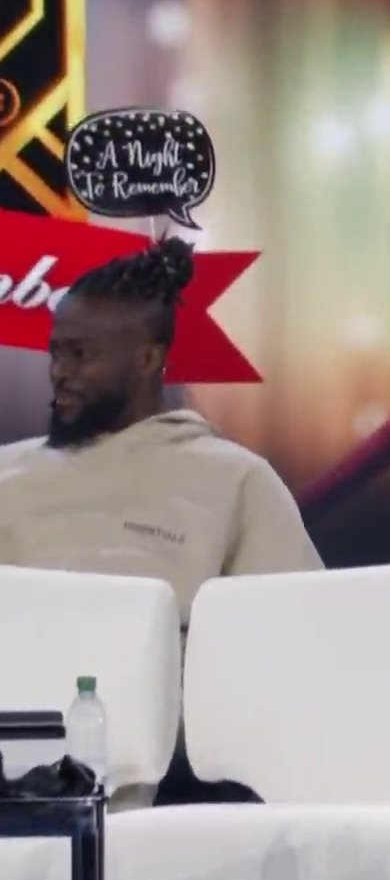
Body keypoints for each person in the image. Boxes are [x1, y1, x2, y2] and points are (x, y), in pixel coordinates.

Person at [0, 237, 323, 630]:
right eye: (56, 353)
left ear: (148, 359)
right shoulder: (7, 471)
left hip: (174, 671)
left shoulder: (236, 481)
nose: (59, 372)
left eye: (80, 354)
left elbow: (298, 630)